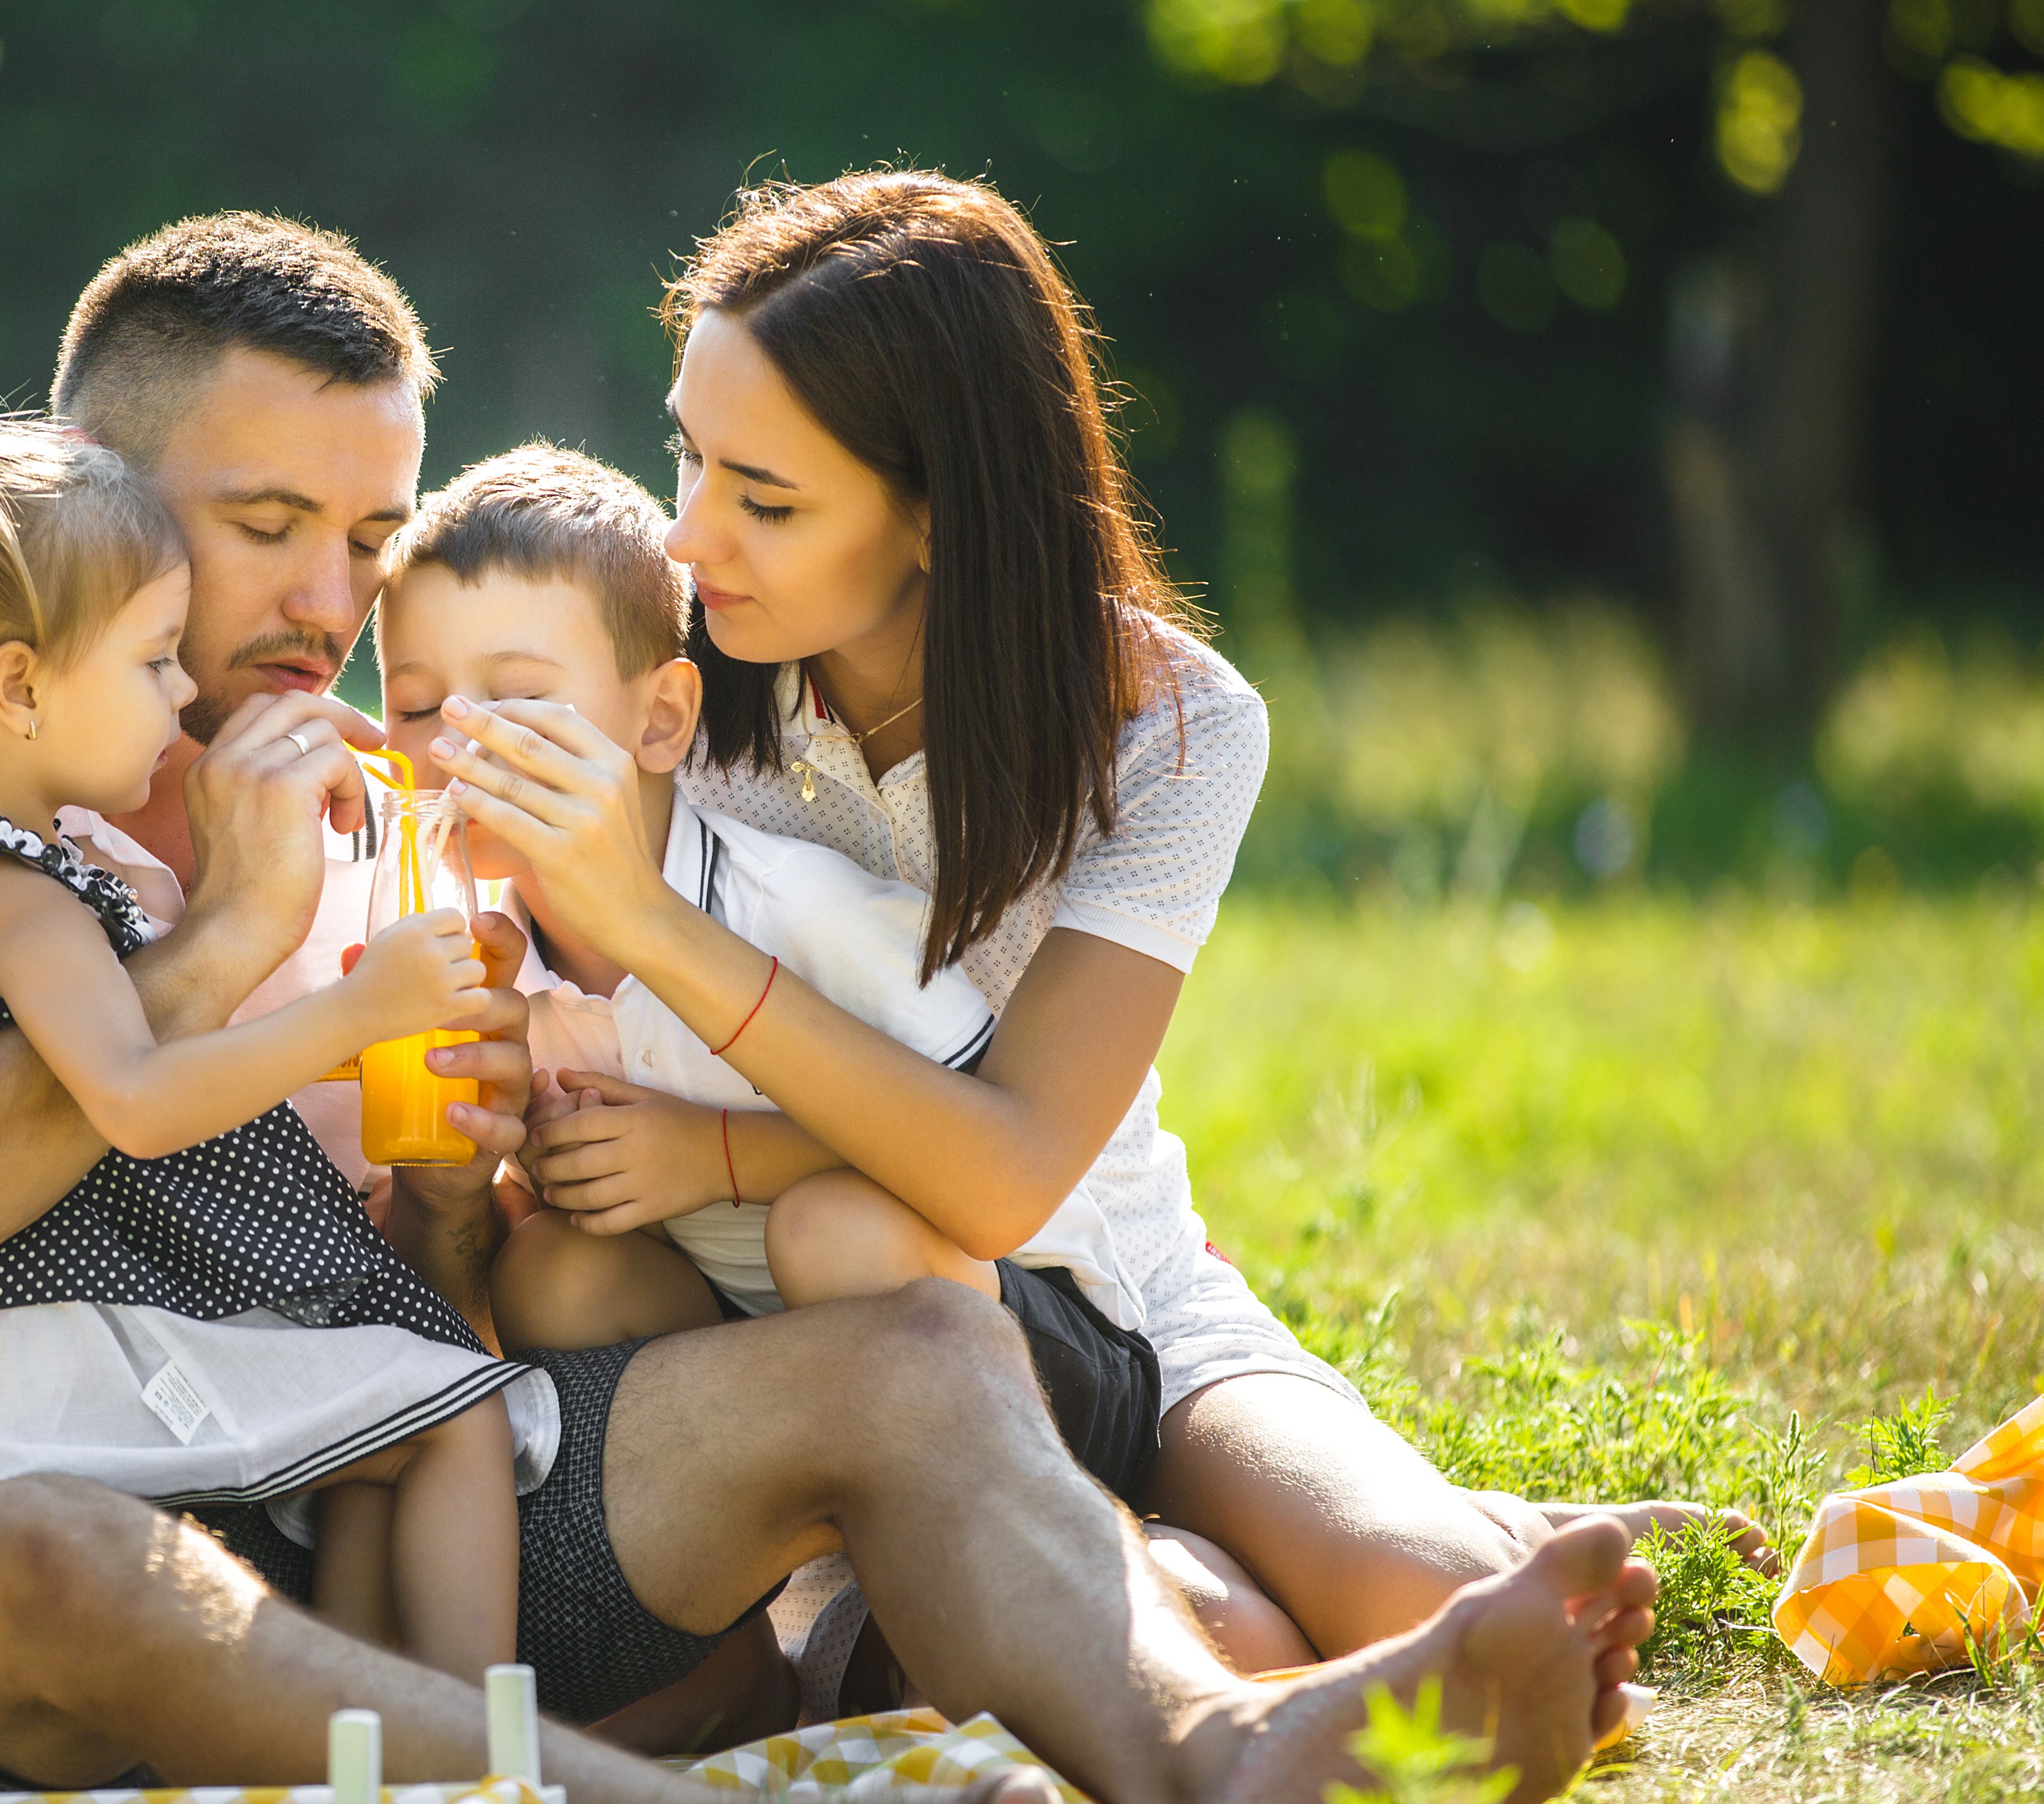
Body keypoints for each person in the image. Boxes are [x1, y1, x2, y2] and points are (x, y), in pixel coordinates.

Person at [0, 209, 1659, 1804]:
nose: (322, 612)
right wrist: (223, 964)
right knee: (46, 1558)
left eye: (365, 538)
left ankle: (1219, 1770)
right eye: (263, 529)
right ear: (80, 492)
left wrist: (464, 1185)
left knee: (913, 1351)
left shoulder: (381, 789)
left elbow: (440, 1270)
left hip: (378, 1491)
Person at [427, 170, 1756, 1688]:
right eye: (690, 456)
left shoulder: (1169, 728)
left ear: (937, 510)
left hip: (1109, 1301)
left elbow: (1006, 1174)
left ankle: (1306, 1553)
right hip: (792, 1323)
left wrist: (654, 930)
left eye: (765, 499)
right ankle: (1170, 1601)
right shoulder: (677, 682)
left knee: (1440, 1609)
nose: (687, 536)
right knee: (1212, 1610)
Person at [0, 395, 525, 1685]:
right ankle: (479, 1750)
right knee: (456, 1411)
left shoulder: (27, 865)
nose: (185, 688)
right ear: (19, 688)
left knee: (378, 1445)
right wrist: (357, 1018)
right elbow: (134, 1099)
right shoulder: (9, 883)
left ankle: (358, 1742)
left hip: (92, 1333)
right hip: (66, 1351)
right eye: (151, 663)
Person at [372, 442, 1158, 1505]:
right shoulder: (487, 969)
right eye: (416, 708)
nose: (456, 746)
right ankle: (756, 1594)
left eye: (516, 700)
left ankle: (999, 1551)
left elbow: (980, 1145)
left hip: (1040, 1355)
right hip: (772, 1363)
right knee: (554, 1274)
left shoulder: (802, 913)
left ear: (659, 722)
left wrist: (717, 1156)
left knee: (829, 1232)